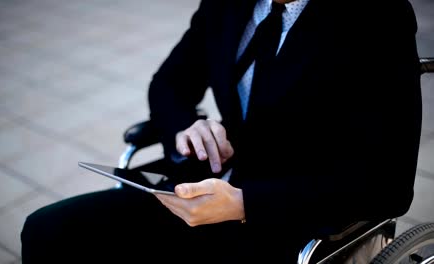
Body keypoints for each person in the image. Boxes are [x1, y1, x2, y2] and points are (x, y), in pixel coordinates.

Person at [21, 0, 422, 263]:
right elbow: (170, 83)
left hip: (291, 215)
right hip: (202, 186)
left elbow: (388, 185)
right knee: (48, 231)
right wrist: (186, 127)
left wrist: (247, 204)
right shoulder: (228, 2)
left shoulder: (377, 16)